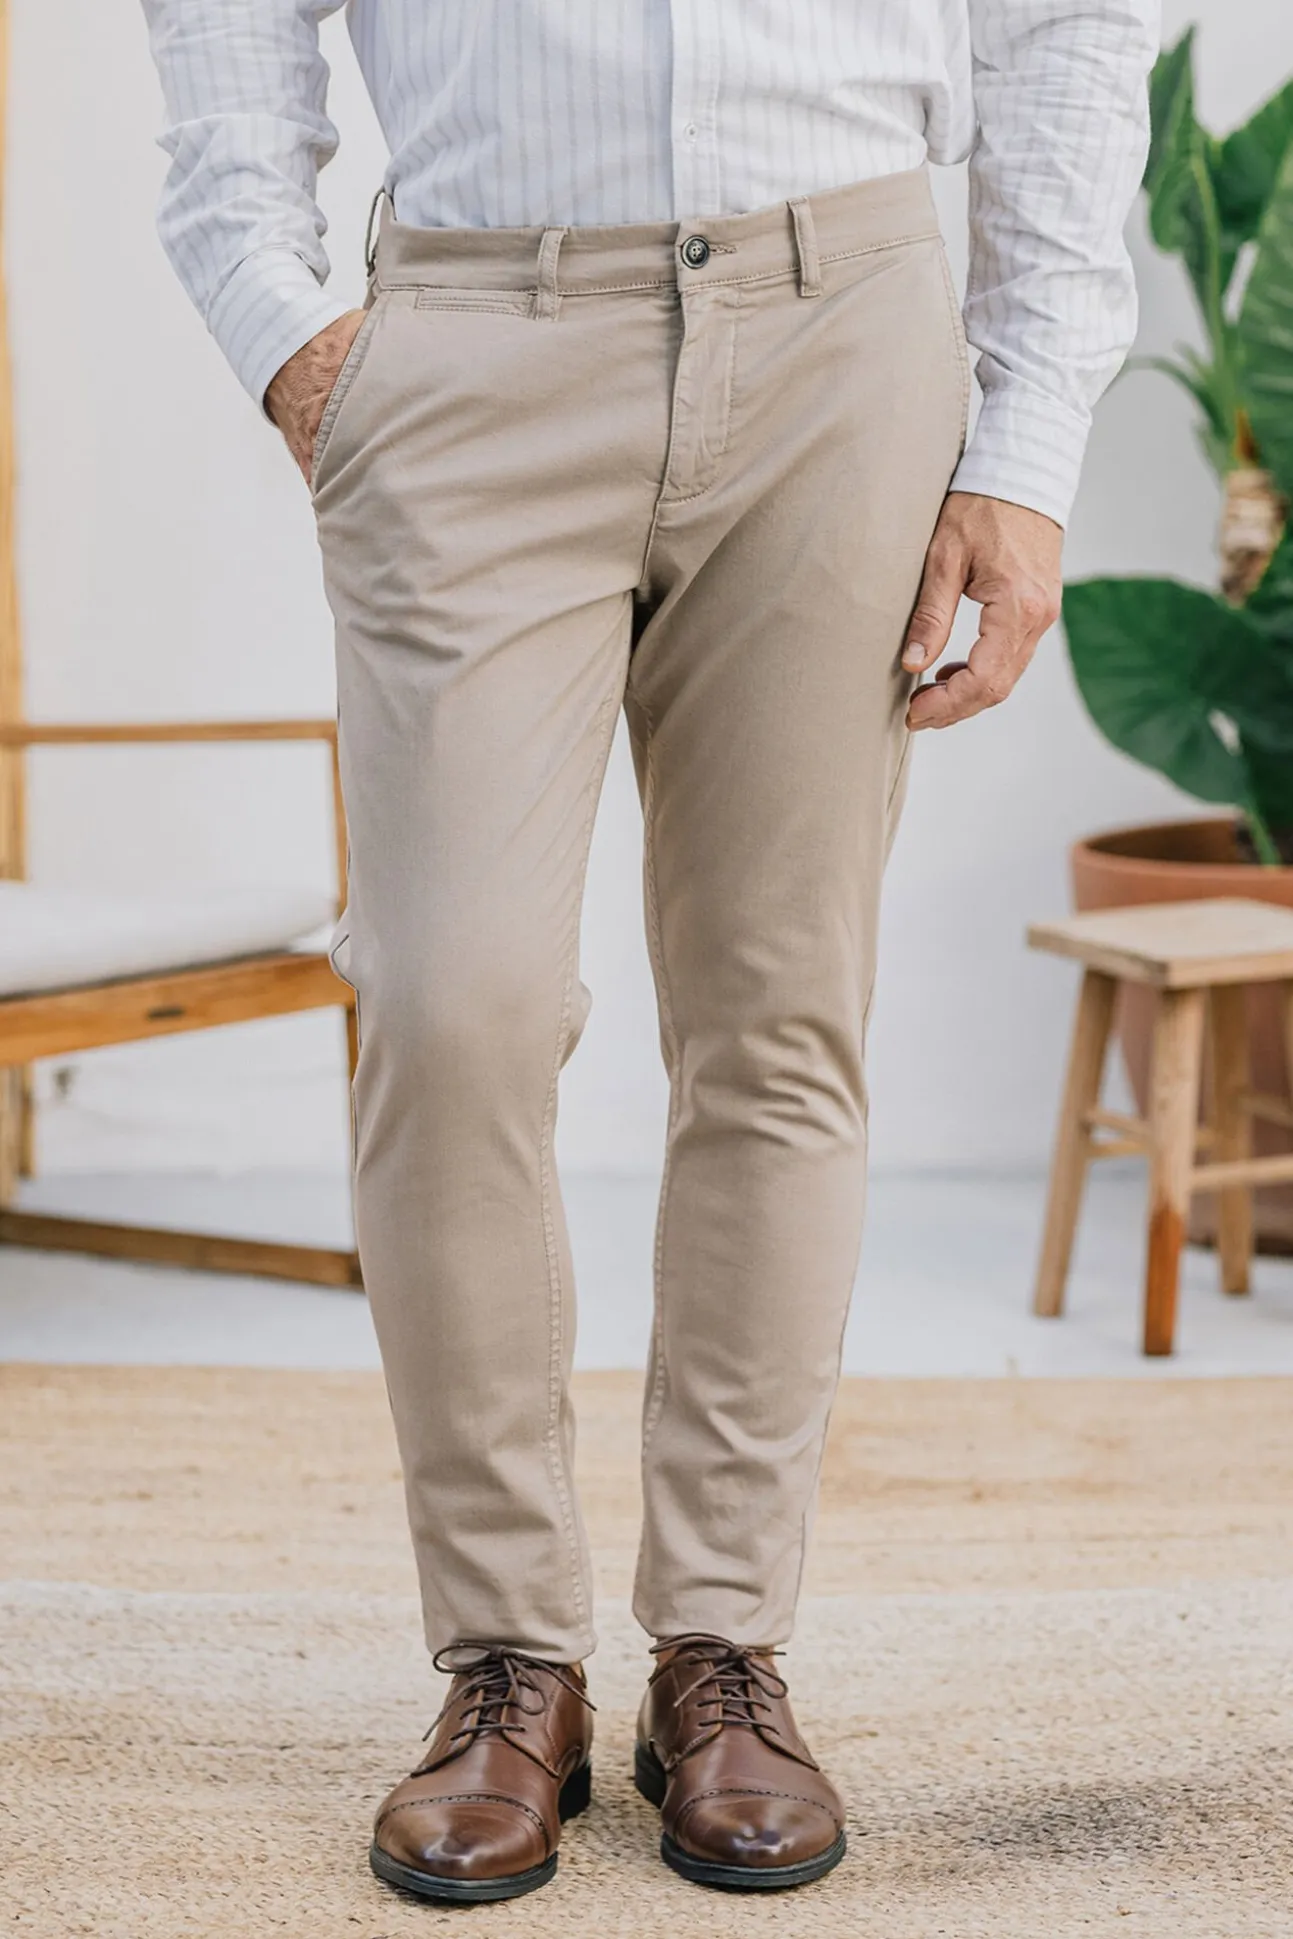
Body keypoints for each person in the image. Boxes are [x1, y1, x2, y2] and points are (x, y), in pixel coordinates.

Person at [140, 0, 1159, 1904]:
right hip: (470, 340)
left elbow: (1066, 21)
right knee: (452, 1003)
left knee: (778, 1016)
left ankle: (724, 1648)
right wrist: (288, 333)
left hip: (842, 327)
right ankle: (504, 1660)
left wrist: (1023, 445)